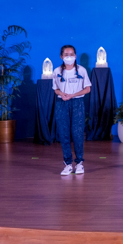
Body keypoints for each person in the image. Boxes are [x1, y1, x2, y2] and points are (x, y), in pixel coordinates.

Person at [52, 45, 91, 175]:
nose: (69, 57)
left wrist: (72, 95)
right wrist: (62, 94)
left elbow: (87, 89)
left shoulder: (81, 70)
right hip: (62, 103)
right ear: (61, 56)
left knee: (77, 133)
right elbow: (55, 88)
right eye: (66, 54)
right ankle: (68, 164)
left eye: (72, 54)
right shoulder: (57, 71)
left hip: (77, 103)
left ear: (75, 56)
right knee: (64, 133)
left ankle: (79, 163)